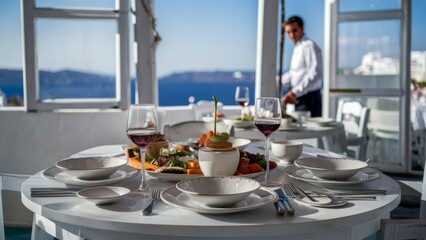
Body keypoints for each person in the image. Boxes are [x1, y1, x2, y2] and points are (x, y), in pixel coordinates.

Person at [279, 16, 323, 117]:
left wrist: (294, 92)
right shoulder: (298, 47)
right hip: (300, 97)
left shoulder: (309, 46)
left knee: (309, 131)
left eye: (294, 31)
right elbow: (295, 73)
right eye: (288, 32)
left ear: (302, 28)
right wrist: (279, 80)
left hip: (309, 98)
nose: (292, 35)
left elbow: (316, 73)